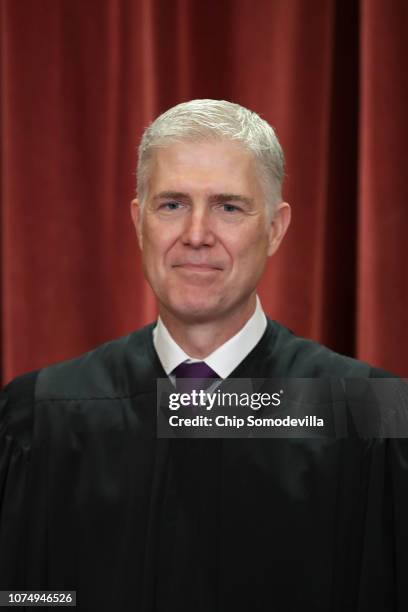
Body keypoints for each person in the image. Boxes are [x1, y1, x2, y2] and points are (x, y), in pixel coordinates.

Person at [0, 99, 406, 611]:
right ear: (138, 221)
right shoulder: (40, 416)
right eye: (171, 204)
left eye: (228, 207)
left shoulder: (371, 415)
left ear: (276, 229)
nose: (196, 235)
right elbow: (24, 598)